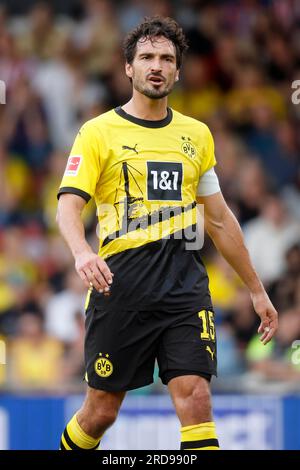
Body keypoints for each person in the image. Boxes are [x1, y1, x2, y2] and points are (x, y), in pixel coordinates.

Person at [56, 16, 278, 451]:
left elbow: (218, 220)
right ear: (128, 68)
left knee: (196, 397)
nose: (156, 66)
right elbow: (68, 205)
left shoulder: (197, 135)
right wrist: (82, 253)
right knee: (101, 411)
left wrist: (256, 289)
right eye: (146, 57)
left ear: (177, 71)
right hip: (120, 285)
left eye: (166, 59)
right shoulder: (98, 132)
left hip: (184, 286)